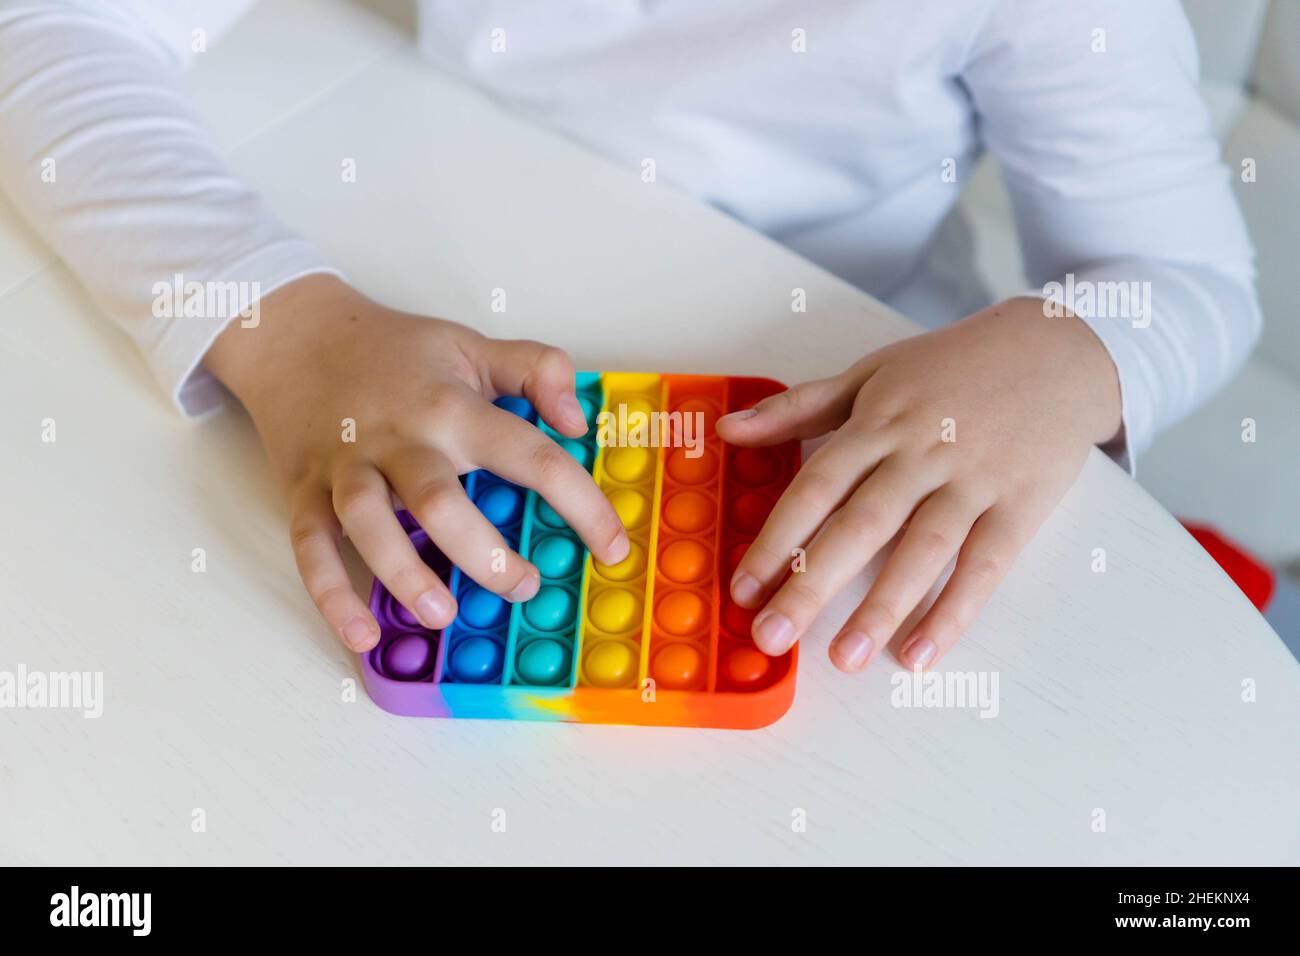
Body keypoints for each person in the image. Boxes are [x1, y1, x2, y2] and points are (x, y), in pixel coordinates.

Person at [0, 0, 1259, 673]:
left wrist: (1067, 346)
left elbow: (1183, 276)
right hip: (461, 299)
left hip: (860, 433)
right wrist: (288, 332)